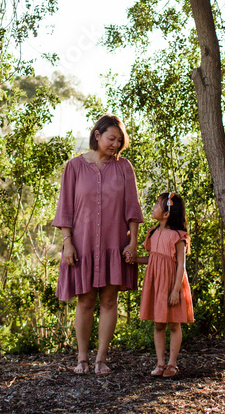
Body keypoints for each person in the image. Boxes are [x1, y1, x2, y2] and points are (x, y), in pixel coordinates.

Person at [52, 114, 143, 375]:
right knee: (85, 301)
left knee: (110, 301)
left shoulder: (124, 168)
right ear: (97, 135)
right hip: (83, 246)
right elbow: (65, 209)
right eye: (111, 138)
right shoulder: (74, 167)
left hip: (115, 245)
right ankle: (82, 358)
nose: (115, 144)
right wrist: (68, 243)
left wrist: (133, 243)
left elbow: (132, 208)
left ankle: (101, 359)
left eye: (119, 141)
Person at [129, 191, 194, 377]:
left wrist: (175, 291)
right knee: (158, 324)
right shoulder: (153, 233)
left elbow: (181, 265)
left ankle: (172, 364)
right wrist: (135, 259)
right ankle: (160, 363)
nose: (153, 207)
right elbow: (153, 259)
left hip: (172, 284)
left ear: (166, 214)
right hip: (157, 285)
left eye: (157, 204)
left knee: (173, 324)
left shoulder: (178, 236)